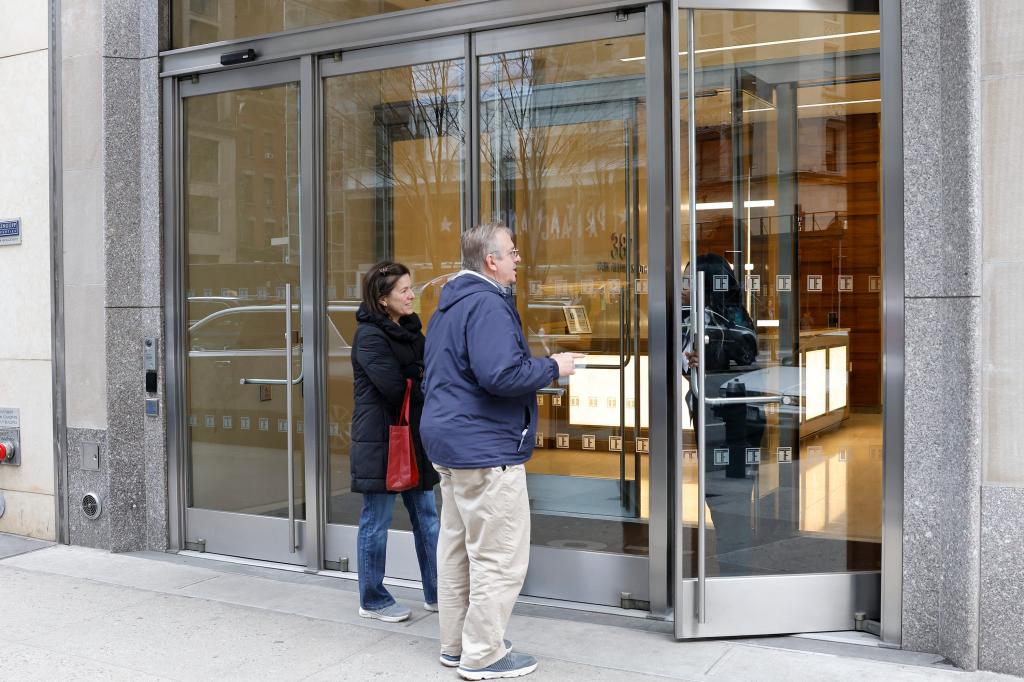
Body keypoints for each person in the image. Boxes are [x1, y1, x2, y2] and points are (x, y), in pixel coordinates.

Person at [420, 223, 581, 680]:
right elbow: (500, 376)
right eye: (512, 253)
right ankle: (484, 654)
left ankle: (456, 646)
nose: (517, 261)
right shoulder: (487, 304)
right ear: (491, 260)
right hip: (484, 447)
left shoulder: (449, 305)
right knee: (498, 556)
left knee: (455, 549)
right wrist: (554, 366)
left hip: (450, 444)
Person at [350, 261, 440, 623]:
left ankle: (438, 593)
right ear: (382, 299)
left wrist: (416, 377)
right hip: (382, 443)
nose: (411, 294)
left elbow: (426, 376)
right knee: (377, 520)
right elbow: (393, 388)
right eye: (403, 290)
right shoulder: (370, 336)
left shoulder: (412, 331)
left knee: (429, 519)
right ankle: (372, 598)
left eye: (411, 287)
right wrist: (418, 377)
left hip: (414, 439)